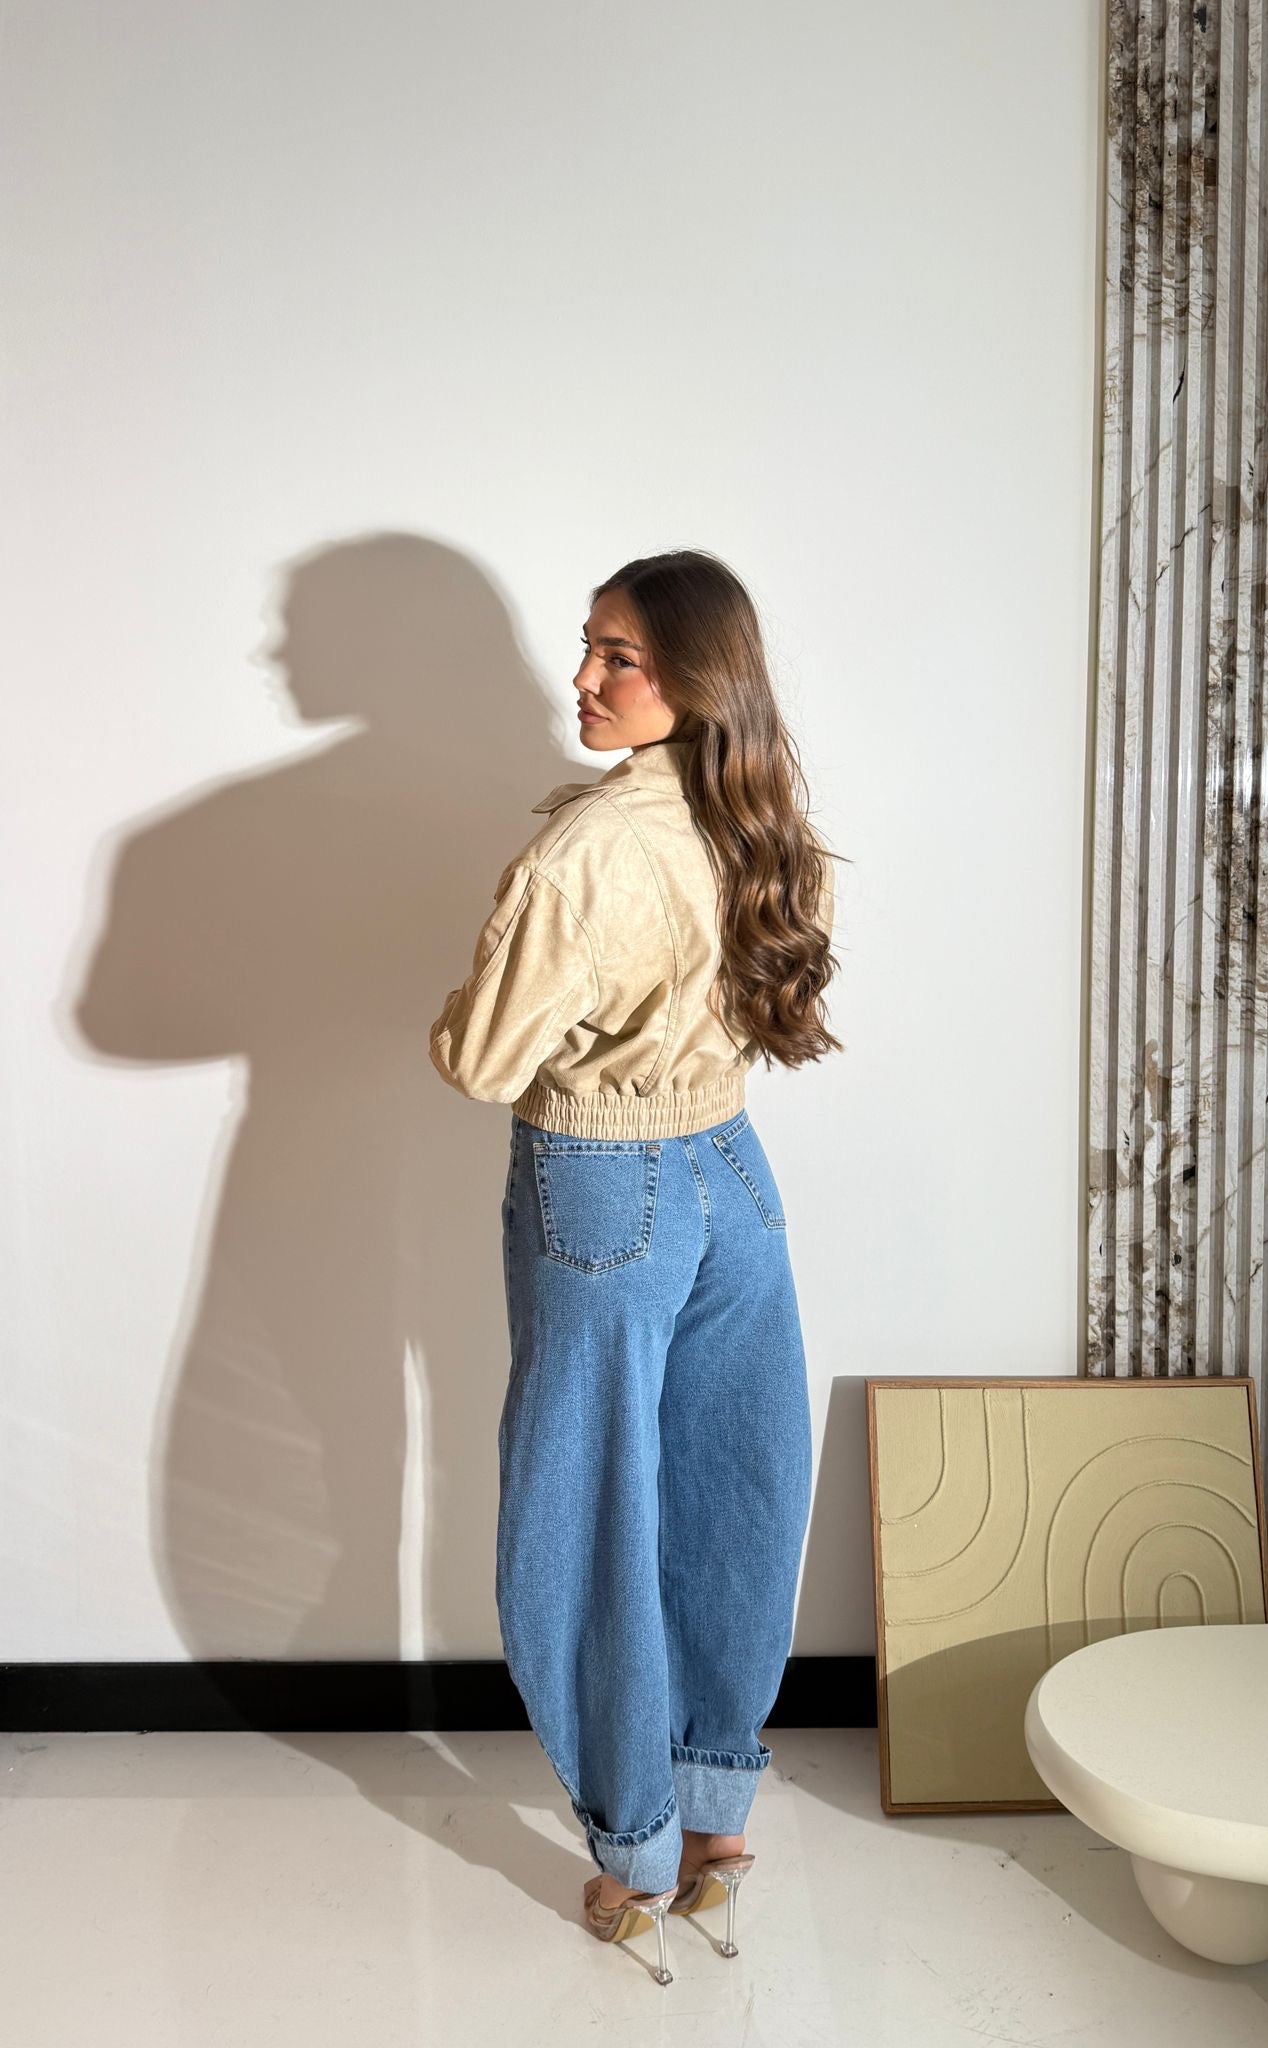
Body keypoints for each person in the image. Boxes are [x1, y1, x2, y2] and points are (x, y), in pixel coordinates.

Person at [428, 548, 843, 1985]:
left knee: (593, 1511)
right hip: (734, 1173)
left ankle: (636, 1851)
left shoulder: (586, 852)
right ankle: (719, 1821)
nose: (585, 678)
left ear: (696, 676)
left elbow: (482, 1058)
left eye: (620, 655)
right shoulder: (762, 818)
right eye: (588, 646)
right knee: (736, 1488)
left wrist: (466, 1006)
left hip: (603, 1184)